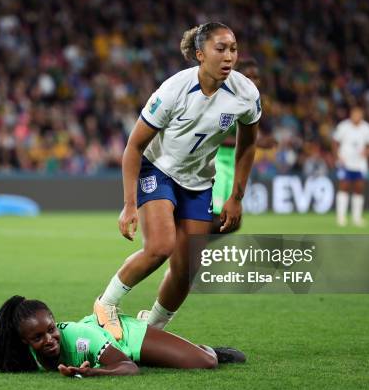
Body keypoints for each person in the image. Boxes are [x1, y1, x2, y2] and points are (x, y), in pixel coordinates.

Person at [93, 22, 261, 338]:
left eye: (233, 49)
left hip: (198, 181)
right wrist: (129, 204)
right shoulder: (173, 91)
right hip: (158, 170)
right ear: (200, 54)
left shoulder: (246, 94)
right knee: (160, 246)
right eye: (220, 49)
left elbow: (248, 143)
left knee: (186, 271)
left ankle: (152, 327)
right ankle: (106, 303)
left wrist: (236, 196)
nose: (229, 57)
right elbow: (134, 146)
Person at [0, 296, 245, 377]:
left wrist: (89, 373)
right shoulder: (22, 353)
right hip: (107, 345)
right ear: (25, 342)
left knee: (205, 362)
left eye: (51, 329)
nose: (49, 339)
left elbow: (128, 367)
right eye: (38, 337)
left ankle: (208, 348)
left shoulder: (79, 337)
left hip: (124, 338)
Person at [211, 57, 262, 234]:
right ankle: (184, 254)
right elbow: (214, 136)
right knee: (215, 218)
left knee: (232, 221)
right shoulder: (224, 100)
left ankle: (189, 254)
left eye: (256, 77)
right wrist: (256, 142)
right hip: (217, 161)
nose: (253, 81)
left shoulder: (251, 104)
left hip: (232, 164)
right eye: (249, 76)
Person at [333, 106, 369, 227]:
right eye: (354, 114)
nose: (356, 117)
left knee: (359, 187)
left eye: (358, 114)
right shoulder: (343, 126)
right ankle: (341, 217)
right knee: (344, 186)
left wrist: (367, 152)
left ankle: (357, 218)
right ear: (351, 115)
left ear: (362, 115)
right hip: (345, 161)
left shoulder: (367, 128)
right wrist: (337, 156)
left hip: (360, 163)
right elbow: (335, 142)